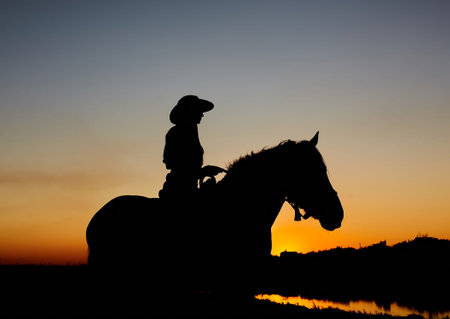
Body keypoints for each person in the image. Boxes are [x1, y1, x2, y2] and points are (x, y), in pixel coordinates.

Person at [159, 95, 224, 200]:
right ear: (190, 112)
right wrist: (202, 172)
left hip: (190, 188)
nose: (202, 115)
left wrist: (201, 172)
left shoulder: (191, 132)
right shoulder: (175, 132)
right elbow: (172, 163)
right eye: (199, 111)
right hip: (178, 191)